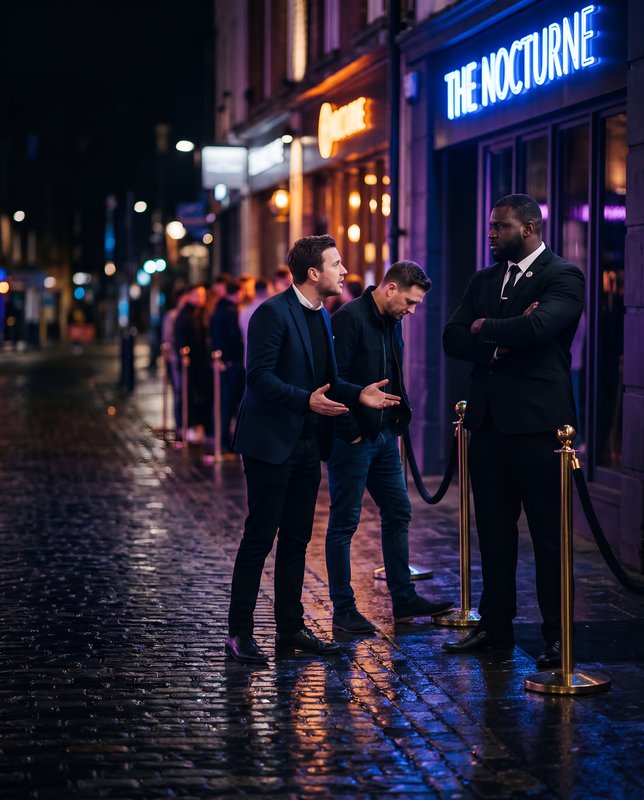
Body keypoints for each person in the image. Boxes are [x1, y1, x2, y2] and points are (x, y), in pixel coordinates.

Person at [225, 234, 402, 663]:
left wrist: (359, 394)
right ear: (312, 272)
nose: (344, 271)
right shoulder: (271, 313)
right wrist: (306, 400)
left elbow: (329, 380)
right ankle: (239, 633)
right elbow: (258, 379)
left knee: (297, 539)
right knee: (259, 537)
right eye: (336, 264)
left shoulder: (322, 314)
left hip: (308, 442)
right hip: (270, 443)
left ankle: (290, 630)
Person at [442, 193, 585, 668]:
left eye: (499, 226)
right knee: (493, 535)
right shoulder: (484, 279)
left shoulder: (563, 275)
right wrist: (503, 336)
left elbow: (541, 328)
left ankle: (558, 638)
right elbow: (452, 337)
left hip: (542, 429)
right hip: (488, 426)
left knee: (549, 538)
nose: (491, 234)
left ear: (528, 228)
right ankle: (494, 627)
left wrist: (485, 327)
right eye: (490, 225)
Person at [326, 261, 454, 632]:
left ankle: (404, 599)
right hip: (354, 439)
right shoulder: (349, 318)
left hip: (383, 437)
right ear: (391, 288)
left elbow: (393, 374)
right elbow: (332, 380)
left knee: (398, 512)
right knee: (344, 522)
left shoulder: (391, 321)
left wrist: (395, 423)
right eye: (410, 302)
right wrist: (349, 430)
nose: (412, 311)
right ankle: (343, 608)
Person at [209, 277, 245, 453]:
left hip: (222, 361)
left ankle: (222, 439)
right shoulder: (230, 311)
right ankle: (225, 442)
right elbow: (233, 338)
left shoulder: (218, 309)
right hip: (231, 362)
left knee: (224, 403)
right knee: (228, 404)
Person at [173, 284, 213, 443]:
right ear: (189, 296)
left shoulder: (202, 313)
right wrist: (184, 355)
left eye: (203, 296)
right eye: (197, 295)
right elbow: (180, 338)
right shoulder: (184, 315)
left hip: (202, 362)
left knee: (201, 395)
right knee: (187, 394)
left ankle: (199, 426)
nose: (200, 299)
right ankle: (187, 426)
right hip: (190, 363)